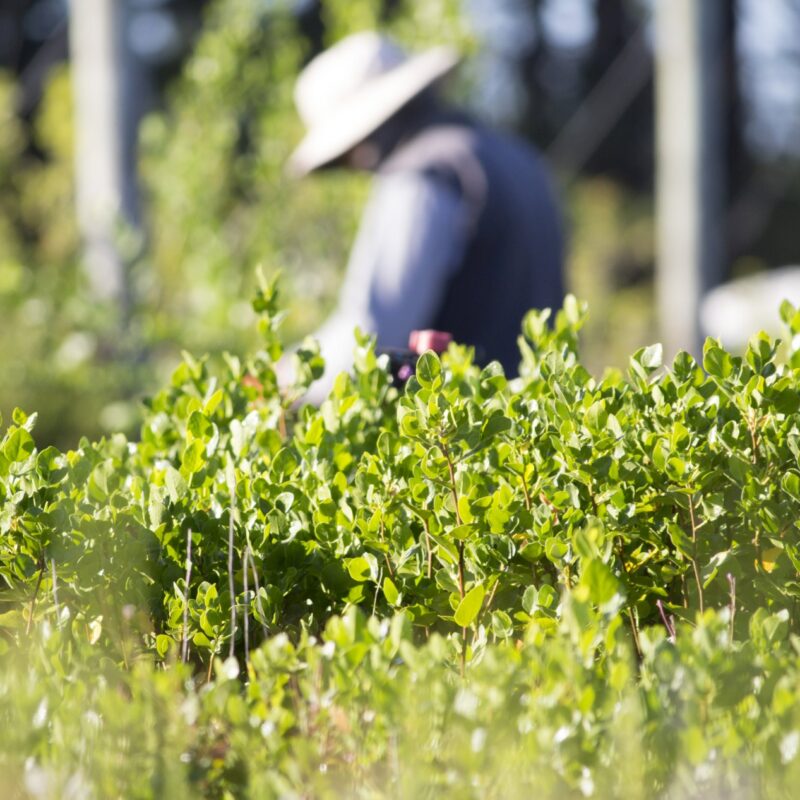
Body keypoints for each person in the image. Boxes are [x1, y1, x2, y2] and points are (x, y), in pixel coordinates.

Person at [287, 31, 564, 401]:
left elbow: (377, 329)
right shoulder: (517, 157)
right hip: (540, 425)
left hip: (464, 436)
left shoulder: (422, 177)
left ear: (363, 141)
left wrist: (286, 378)